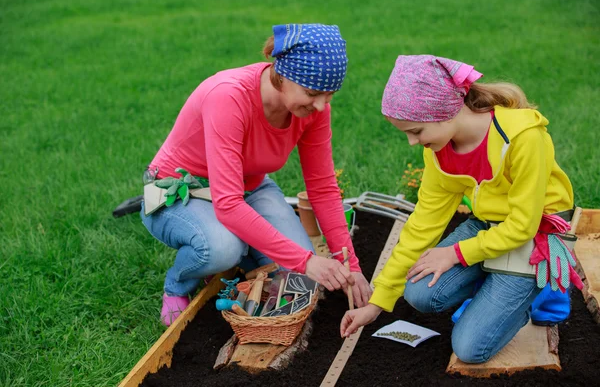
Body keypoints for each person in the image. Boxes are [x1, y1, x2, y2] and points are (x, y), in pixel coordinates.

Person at [340, 55, 581, 363]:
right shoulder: (439, 153)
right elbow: (422, 226)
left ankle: (540, 290)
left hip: (536, 237)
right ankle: (492, 286)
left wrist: (454, 253)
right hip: (489, 226)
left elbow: (523, 226)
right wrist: (377, 303)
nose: (412, 143)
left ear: (446, 111)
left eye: (416, 131)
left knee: (470, 349)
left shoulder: (524, 138)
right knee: (418, 292)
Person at [141, 23, 372, 326]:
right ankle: (177, 284)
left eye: (329, 96)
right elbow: (228, 204)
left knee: (298, 277)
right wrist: (307, 260)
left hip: (248, 188)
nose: (320, 105)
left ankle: (241, 251)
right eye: (313, 93)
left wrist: (350, 264)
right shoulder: (228, 97)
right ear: (283, 75)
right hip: (179, 190)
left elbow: (323, 188)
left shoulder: (314, 111)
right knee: (222, 248)